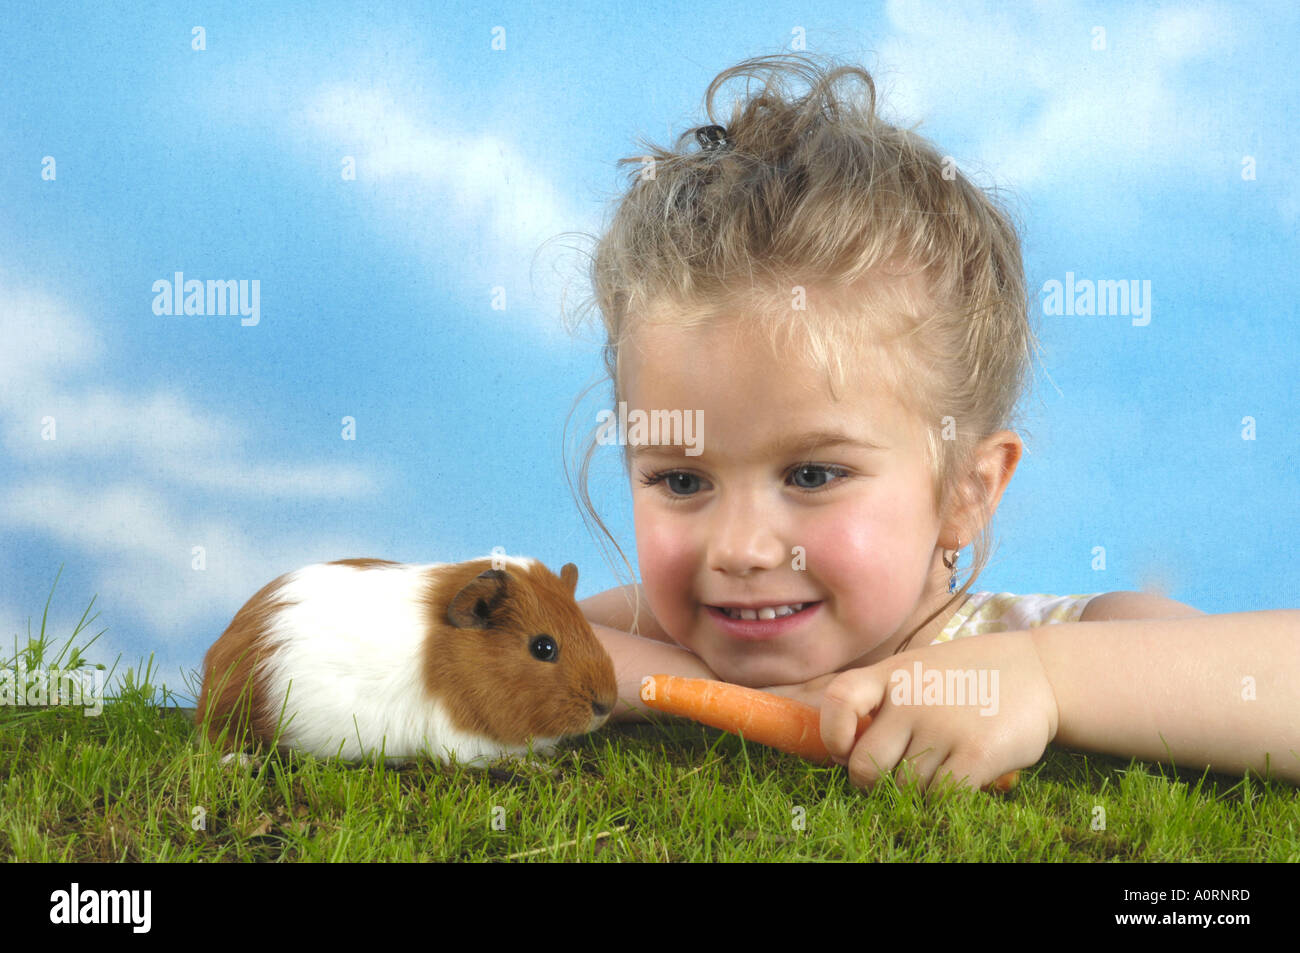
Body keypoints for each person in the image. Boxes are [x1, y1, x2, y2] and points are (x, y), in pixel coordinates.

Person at [566, 52, 1299, 791]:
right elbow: (479, 626)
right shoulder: (679, 621)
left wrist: (1044, 678)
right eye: (683, 479)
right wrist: (715, 696)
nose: (741, 549)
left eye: (814, 473)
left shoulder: (1050, 635)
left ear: (965, 491)